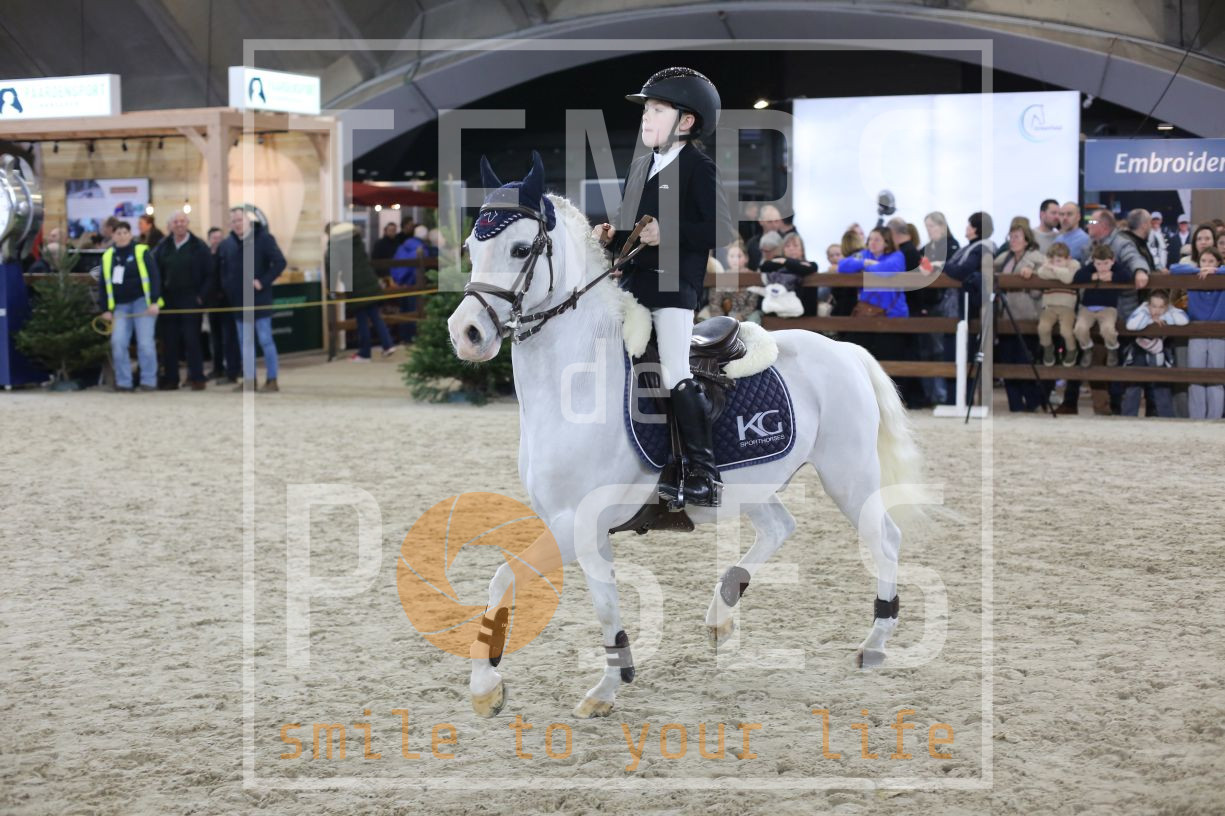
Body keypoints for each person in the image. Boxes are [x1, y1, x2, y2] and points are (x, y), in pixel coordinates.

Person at [594, 66, 731, 508]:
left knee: (673, 371)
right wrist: (609, 237)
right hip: (633, 286)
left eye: (656, 110)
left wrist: (667, 232)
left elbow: (720, 229)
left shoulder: (699, 168)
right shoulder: (640, 167)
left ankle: (703, 473)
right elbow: (627, 228)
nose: (646, 117)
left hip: (673, 289)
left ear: (686, 121)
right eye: (645, 110)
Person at [218, 207, 286, 392]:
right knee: (245, 343)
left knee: (265, 340)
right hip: (239, 301)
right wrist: (228, 287)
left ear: (248, 221)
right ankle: (250, 380)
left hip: (260, 299)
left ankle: (272, 380)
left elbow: (280, 262)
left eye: (240, 220)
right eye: (233, 221)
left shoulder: (263, 238)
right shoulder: (228, 244)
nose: (237, 224)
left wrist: (262, 282)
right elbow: (223, 269)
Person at [98, 221, 162, 392]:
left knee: (145, 344)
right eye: (118, 233)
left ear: (130, 234)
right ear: (113, 236)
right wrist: (105, 309)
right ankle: (124, 382)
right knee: (118, 343)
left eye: (125, 232)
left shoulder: (142, 251)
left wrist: (154, 301)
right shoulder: (107, 256)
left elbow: (154, 276)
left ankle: (149, 381)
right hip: (120, 306)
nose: (122, 236)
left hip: (143, 304)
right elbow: (103, 284)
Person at [153, 211, 211, 390]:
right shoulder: (163, 246)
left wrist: (201, 296)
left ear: (187, 223)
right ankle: (171, 379)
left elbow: (210, 273)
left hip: (191, 299)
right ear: (170, 225)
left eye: (182, 221)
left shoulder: (199, 246)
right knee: (169, 341)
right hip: (168, 300)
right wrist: (158, 296)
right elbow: (155, 272)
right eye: (175, 222)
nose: (179, 224)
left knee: (192, 340)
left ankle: (197, 378)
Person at [326, 222, 400, 362]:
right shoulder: (357, 242)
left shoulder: (334, 246)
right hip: (370, 281)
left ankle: (365, 353)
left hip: (355, 286)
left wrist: (332, 289)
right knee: (375, 316)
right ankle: (388, 344)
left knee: (361, 320)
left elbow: (332, 269)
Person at [993, 222, 1045, 411]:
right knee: (1007, 358)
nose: (1013, 240)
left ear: (1027, 240)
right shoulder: (1004, 258)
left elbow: (1042, 283)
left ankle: (1032, 402)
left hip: (1027, 314)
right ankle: (1014, 403)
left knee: (1025, 359)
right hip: (1006, 314)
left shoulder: (1037, 259)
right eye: (1011, 237)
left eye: (1017, 237)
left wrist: (1033, 275)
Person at [837, 225, 908, 363]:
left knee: (890, 358)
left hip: (892, 315)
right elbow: (843, 265)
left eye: (877, 239)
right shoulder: (864, 255)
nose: (872, 243)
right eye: (870, 239)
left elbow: (888, 269)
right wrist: (865, 262)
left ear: (886, 242)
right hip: (867, 313)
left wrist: (864, 267)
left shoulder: (897, 255)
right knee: (859, 357)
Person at [1172, 246, 1225, 418]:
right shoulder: (1193, 274)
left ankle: (1214, 419)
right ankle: (1196, 419)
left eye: (1211, 261)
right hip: (1196, 331)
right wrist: (1197, 270)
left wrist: (1217, 271)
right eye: (1204, 261)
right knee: (1195, 376)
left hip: (1219, 332)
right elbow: (1174, 268)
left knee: (1216, 378)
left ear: (1218, 262)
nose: (1207, 265)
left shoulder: (1221, 275)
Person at [1121, 290, 1187, 417]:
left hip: (1160, 352)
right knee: (1133, 385)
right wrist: (1150, 320)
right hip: (1139, 350)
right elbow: (1131, 325)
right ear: (1148, 305)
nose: (1156, 311)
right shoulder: (1142, 309)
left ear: (1166, 307)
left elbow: (1183, 320)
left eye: (1161, 307)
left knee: (1161, 384)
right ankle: (1128, 417)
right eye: (1154, 306)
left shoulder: (1170, 311)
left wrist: (1163, 318)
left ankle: (1166, 419)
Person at [1073, 244, 1129, 368]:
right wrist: (1094, 276)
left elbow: (1127, 276)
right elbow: (1077, 277)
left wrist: (1113, 276)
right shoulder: (1091, 268)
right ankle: (1087, 349)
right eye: (1098, 264)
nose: (1102, 267)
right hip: (1087, 308)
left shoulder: (1116, 268)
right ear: (1093, 261)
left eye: (1106, 263)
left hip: (1108, 308)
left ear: (1112, 261)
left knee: (1108, 329)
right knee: (1079, 329)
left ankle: (1112, 350)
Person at [1029, 241, 1080, 367]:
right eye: (1052, 261)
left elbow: (1068, 278)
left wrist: (1052, 268)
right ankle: (1048, 348)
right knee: (1043, 328)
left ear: (1068, 258)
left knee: (1066, 331)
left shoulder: (1074, 265)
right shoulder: (1049, 266)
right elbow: (1041, 273)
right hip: (1049, 306)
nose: (1055, 263)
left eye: (1059, 260)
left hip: (1067, 307)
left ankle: (1072, 350)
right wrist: (1058, 270)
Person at [204, 227, 238, 382]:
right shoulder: (206, 256)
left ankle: (233, 369)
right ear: (209, 240)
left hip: (227, 303)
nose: (217, 241)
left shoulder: (227, 254)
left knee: (229, 338)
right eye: (214, 238)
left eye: (220, 237)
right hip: (212, 304)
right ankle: (217, 368)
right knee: (215, 338)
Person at [705, 245, 762, 323]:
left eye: (739, 256)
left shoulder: (753, 277)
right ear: (727, 258)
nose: (735, 260)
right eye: (731, 256)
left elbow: (752, 304)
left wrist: (740, 317)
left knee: (754, 318)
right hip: (725, 317)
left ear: (746, 258)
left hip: (746, 317)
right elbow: (715, 302)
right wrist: (722, 320)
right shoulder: (722, 277)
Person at [745, 204, 796, 271]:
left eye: (776, 221)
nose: (774, 225)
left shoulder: (787, 242)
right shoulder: (752, 244)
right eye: (769, 222)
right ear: (761, 222)